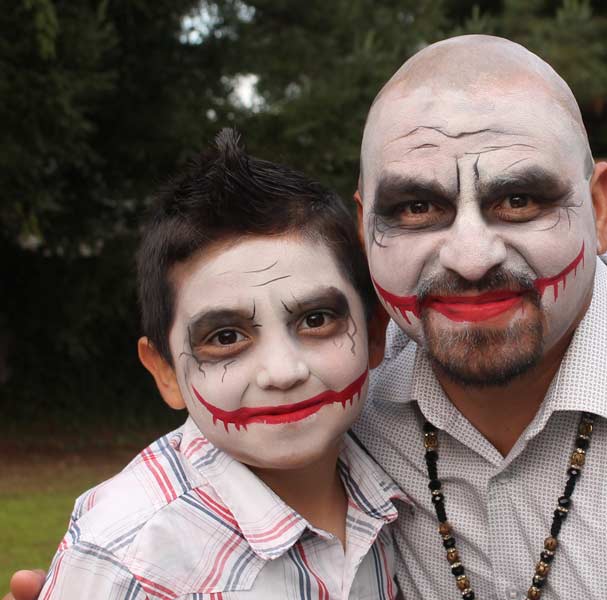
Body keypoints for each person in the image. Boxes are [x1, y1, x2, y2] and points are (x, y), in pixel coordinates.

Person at [7, 35, 607, 600]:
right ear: (364, 229)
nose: (468, 254)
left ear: (599, 207)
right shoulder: (336, 385)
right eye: (417, 206)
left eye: (518, 198)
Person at [19, 128, 406, 599]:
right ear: (165, 371)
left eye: (316, 319)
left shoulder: (396, 485)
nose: (283, 372)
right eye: (225, 337)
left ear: (373, 334)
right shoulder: (131, 558)